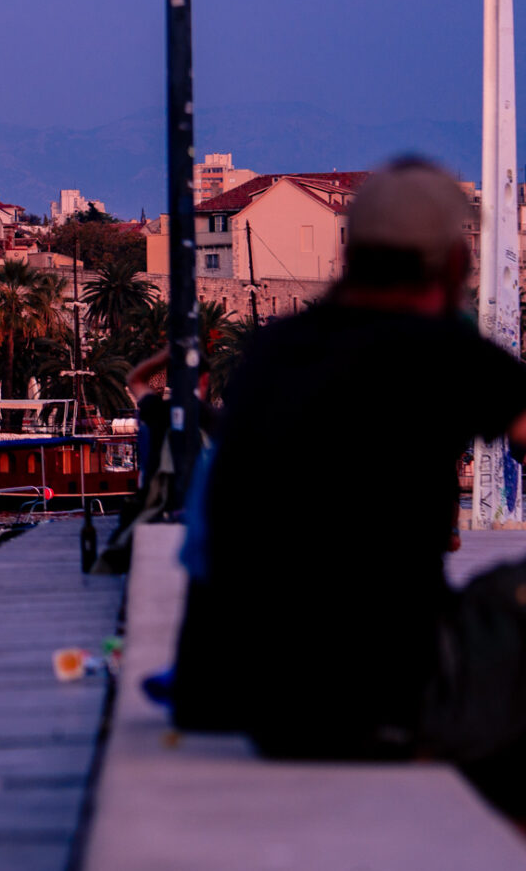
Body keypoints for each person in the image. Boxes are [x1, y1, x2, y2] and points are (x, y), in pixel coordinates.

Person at [177, 158, 526, 811]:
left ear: (351, 252)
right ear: (452, 264)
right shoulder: (441, 351)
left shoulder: (271, 351)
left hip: (272, 712)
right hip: (393, 697)